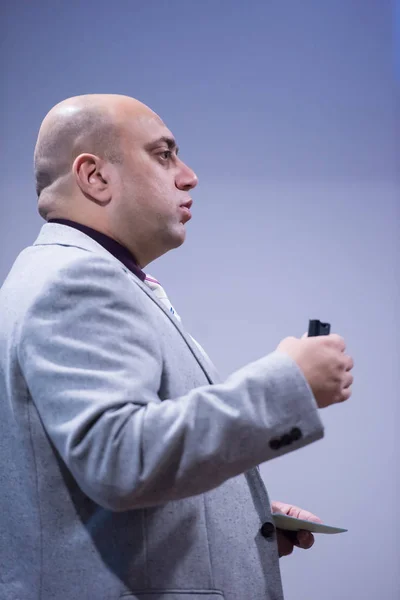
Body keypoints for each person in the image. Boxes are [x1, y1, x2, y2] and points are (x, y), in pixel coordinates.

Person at [0, 94, 354, 600]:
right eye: (164, 155)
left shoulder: (71, 276)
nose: (188, 176)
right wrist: (288, 384)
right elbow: (121, 458)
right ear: (95, 177)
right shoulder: (76, 282)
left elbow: (86, 491)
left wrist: (238, 525)